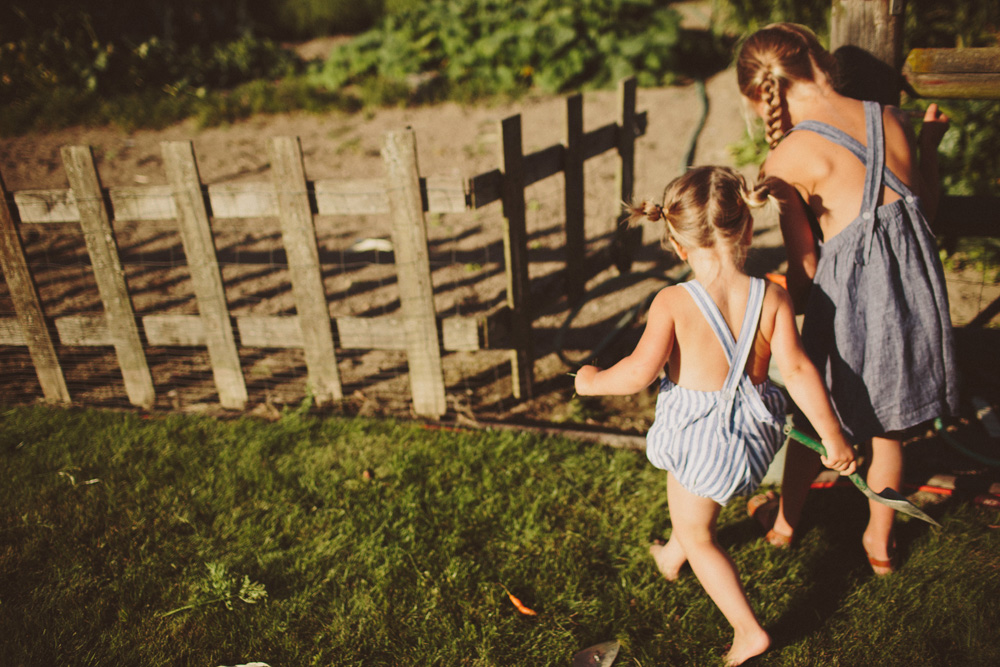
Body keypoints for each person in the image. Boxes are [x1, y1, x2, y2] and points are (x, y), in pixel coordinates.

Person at [574, 165, 857, 666]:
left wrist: (591, 380)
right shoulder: (772, 295)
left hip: (701, 441)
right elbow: (796, 368)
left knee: (701, 533)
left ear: (676, 244)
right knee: (693, 511)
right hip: (752, 437)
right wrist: (833, 437)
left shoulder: (674, 301)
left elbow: (639, 373)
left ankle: (748, 631)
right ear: (746, 228)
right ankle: (669, 556)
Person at [735, 23, 959, 575]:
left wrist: (782, 301)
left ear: (757, 94)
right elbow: (924, 209)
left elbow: (807, 265)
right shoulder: (888, 117)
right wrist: (929, 145)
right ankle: (879, 544)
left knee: (814, 423)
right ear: (820, 60)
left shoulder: (788, 157)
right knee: (890, 426)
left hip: (844, 306)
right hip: (911, 301)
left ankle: (786, 524)